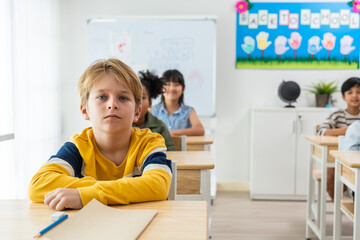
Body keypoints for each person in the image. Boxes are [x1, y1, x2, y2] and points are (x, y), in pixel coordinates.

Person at [28, 58, 172, 210]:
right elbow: (38, 185)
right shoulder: (79, 145)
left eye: (123, 98)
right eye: (102, 97)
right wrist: (126, 189)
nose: (112, 104)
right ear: (85, 111)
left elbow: (158, 186)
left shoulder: (149, 142)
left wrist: (86, 195)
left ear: (137, 112)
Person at [317, 77, 360, 201]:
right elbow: (321, 131)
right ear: (343, 97)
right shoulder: (337, 115)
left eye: (359, 92)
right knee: (331, 172)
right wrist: (347, 131)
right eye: (350, 92)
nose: (355, 96)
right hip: (339, 157)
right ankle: (343, 198)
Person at [151, 69, 205, 136]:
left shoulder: (188, 111)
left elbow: (200, 130)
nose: (172, 88)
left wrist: (173, 133)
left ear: (183, 89)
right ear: (161, 88)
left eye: (176, 85)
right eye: (167, 84)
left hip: (182, 146)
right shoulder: (153, 110)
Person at [133, 70, 176, 151]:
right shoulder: (121, 124)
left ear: (150, 103)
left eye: (142, 97)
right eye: (133, 97)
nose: (138, 102)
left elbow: (171, 153)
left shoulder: (160, 127)